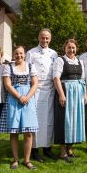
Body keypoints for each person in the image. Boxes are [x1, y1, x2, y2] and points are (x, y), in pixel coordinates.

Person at [0, 46, 39, 170]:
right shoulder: (8, 67)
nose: (19, 55)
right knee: (14, 132)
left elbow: (35, 83)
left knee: (28, 132)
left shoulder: (31, 66)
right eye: (16, 53)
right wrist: (19, 96)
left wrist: (27, 97)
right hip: (13, 99)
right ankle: (15, 160)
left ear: (25, 54)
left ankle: (27, 160)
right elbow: (7, 85)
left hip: (28, 99)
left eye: (21, 53)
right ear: (13, 55)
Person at [26, 29, 58, 162]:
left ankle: (47, 148)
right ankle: (34, 150)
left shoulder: (54, 53)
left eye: (47, 38)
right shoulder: (31, 53)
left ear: (50, 39)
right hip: (36, 91)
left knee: (49, 121)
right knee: (37, 121)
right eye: (42, 38)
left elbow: (56, 71)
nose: (45, 40)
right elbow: (27, 72)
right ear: (38, 37)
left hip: (50, 90)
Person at [53, 39, 86, 163]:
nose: (71, 50)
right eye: (69, 47)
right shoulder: (60, 60)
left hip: (77, 94)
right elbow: (56, 78)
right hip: (66, 92)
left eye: (73, 47)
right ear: (64, 48)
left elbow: (83, 80)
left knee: (75, 121)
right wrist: (61, 94)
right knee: (64, 120)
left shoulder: (80, 61)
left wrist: (85, 94)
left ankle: (70, 149)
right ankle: (62, 152)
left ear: (76, 48)